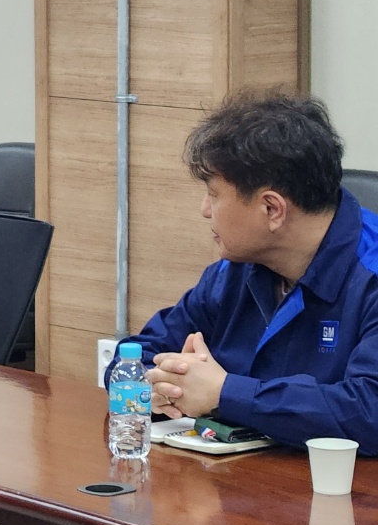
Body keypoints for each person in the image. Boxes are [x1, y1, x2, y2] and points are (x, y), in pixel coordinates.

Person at [123, 92, 378, 454]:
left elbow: (368, 412)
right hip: (238, 478)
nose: (204, 210)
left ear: (272, 209)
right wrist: (159, 385)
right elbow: (135, 356)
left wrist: (224, 393)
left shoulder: (370, 276)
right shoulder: (235, 270)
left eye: (214, 195)